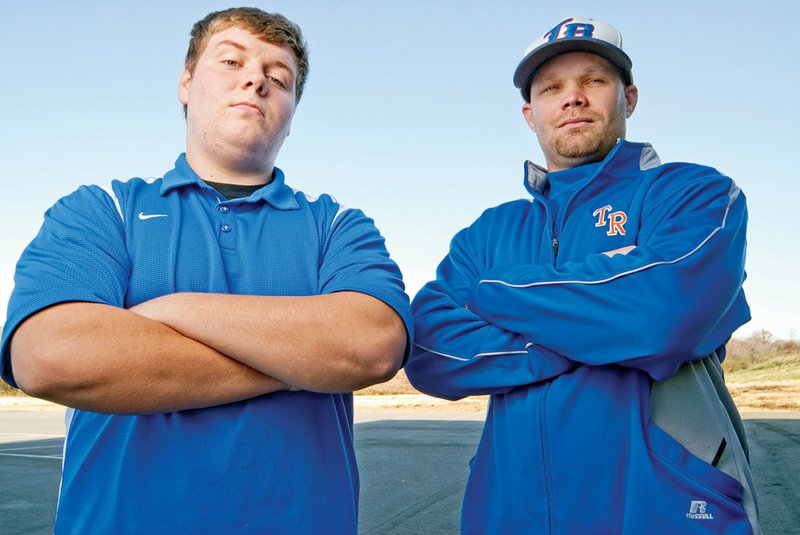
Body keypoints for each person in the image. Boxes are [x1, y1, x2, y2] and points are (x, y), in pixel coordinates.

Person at [1, 7, 411, 534]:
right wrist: (306, 362)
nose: (256, 79)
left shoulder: (337, 225)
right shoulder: (105, 209)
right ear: (187, 84)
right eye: (231, 60)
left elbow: (371, 346)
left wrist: (174, 310)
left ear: (290, 109)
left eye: (279, 77)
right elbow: (49, 357)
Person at [406, 16, 760, 534]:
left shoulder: (694, 194)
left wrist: (490, 294)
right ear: (530, 114)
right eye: (552, 88)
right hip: (509, 516)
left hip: (665, 512)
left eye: (593, 81)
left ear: (629, 98)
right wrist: (588, 332)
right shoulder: (490, 231)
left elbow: (662, 315)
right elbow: (429, 352)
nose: (572, 98)